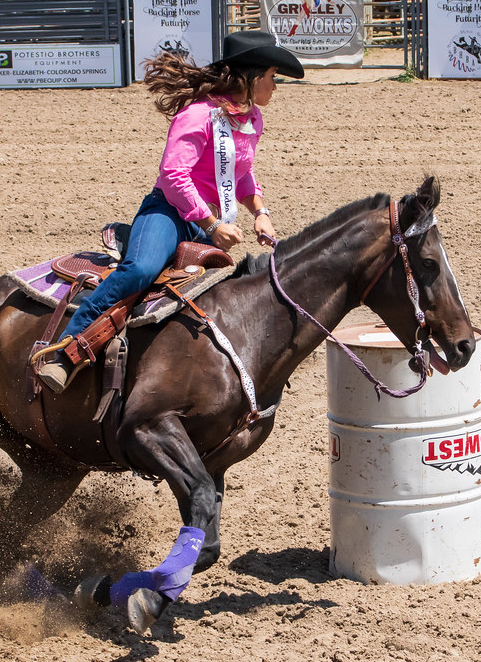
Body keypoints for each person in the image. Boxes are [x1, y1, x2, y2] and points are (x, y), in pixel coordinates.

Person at [37, 30, 304, 393]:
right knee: (141, 270)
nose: (275, 86)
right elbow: (173, 176)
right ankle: (63, 350)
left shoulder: (250, 119)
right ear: (254, 77)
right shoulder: (198, 115)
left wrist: (259, 210)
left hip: (209, 224)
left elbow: (242, 175)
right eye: (273, 77)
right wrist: (210, 224)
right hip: (171, 213)